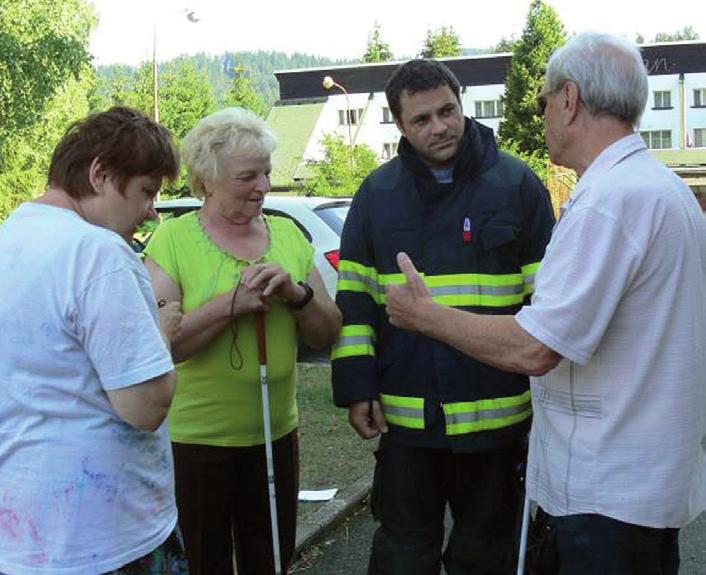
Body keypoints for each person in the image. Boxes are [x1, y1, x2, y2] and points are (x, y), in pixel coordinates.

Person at [386, 33, 706, 575]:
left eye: (542, 103)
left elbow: (537, 348)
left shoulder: (612, 203)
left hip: (606, 495)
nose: (543, 117)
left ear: (570, 99)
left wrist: (428, 317)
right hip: (638, 483)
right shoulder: (659, 189)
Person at [331, 59, 555, 574]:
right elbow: (357, 301)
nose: (439, 127)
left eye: (447, 111)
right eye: (422, 120)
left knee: (489, 556)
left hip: (498, 419)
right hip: (410, 422)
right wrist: (358, 386)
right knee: (403, 555)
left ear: (461, 102)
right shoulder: (377, 195)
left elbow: (549, 303)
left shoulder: (517, 184)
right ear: (401, 126)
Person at [144, 107, 342, 575]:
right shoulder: (172, 240)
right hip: (196, 444)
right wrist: (228, 305)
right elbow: (161, 349)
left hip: (275, 436)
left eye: (268, 172)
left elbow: (327, 332)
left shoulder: (289, 235)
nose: (264, 186)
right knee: (204, 561)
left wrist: (297, 294)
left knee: (270, 558)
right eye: (248, 176)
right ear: (207, 180)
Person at [0, 107, 187, 574]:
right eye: (147, 191)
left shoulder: (10, 238)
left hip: (24, 539)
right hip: (106, 540)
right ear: (101, 173)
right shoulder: (99, 253)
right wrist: (161, 337)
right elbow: (145, 406)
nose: (150, 212)